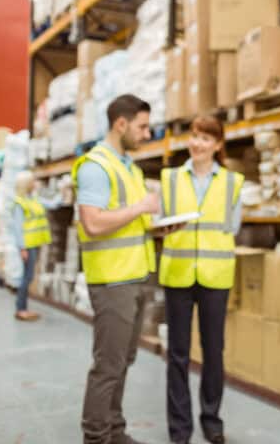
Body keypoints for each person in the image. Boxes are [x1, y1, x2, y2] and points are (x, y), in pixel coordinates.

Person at [73, 94, 180, 444]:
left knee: (123, 360)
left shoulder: (129, 167)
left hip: (135, 276)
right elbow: (93, 223)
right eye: (142, 126)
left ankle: (114, 429)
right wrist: (141, 208)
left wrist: (156, 227)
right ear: (121, 123)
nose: (147, 133)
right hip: (112, 280)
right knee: (107, 366)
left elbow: (127, 223)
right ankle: (96, 437)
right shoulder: (96, 166)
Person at [158, 114, 243, 444]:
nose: (197, 143)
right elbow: (160, 220)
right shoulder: (170, 178)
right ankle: (180, 429)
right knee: (177, 353)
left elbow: (232, 226)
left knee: (213, 351)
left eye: (206, 138)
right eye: (194, 135)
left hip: (215, 275)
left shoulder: (232, 182)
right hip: (178, 273)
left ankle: (212, 420)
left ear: (218, 145)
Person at [12, 170, 51, 321]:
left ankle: (22, 308)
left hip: (34, 243)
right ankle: (21, 309)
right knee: (27, 277)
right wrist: (22, 248)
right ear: (27, 184)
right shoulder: (19, 203)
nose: (36, 183)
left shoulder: (33, 199)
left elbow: (51, 204)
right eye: (33, 181)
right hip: (27, 246)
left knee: (28, 276)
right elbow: (17, 227)